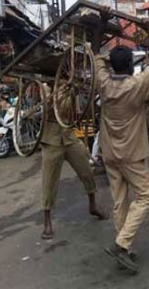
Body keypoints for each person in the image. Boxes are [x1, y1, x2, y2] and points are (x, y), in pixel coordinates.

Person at [94, 20, 149, 273]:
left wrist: (98, 32)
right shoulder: (136, 84)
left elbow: (96, 58)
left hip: (110, 153)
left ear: (113, 65)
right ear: (131, 67)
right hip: (132, 154)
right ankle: (121, 244)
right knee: (145, 196)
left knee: (119, 201)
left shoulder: (103, 82)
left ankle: (125, 248)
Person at [39, 83, 108, 240]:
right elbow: (46, 110)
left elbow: (76, 113)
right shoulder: (44, 87)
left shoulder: (69, 85)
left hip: (69, 137)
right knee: (49, 181)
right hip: (51, 140)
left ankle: (93, 205)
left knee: (87, 170)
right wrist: (56, 93)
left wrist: (80, 92)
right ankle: (47, 222)